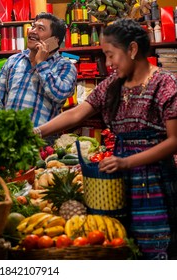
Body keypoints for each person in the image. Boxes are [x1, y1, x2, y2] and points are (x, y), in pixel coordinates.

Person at [34, 19, 177, 260]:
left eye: (111, 55)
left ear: (132, 50)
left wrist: (127, 162)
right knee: (118, 245)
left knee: (153, 248)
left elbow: (174, 141)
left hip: (154, 184)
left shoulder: (165, 84)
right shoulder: (112, 85)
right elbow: (77, 113)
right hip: (115, 184)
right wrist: (37, 132)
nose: (108, 64)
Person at [0, 12, 77, 127]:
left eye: (40, 28)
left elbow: (60, 95)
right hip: (8, 137)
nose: (32, 31)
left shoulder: (65, 66)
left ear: (54, 40)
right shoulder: (14, 61)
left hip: (43, 140)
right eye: (33, 26)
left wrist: (41, 64)